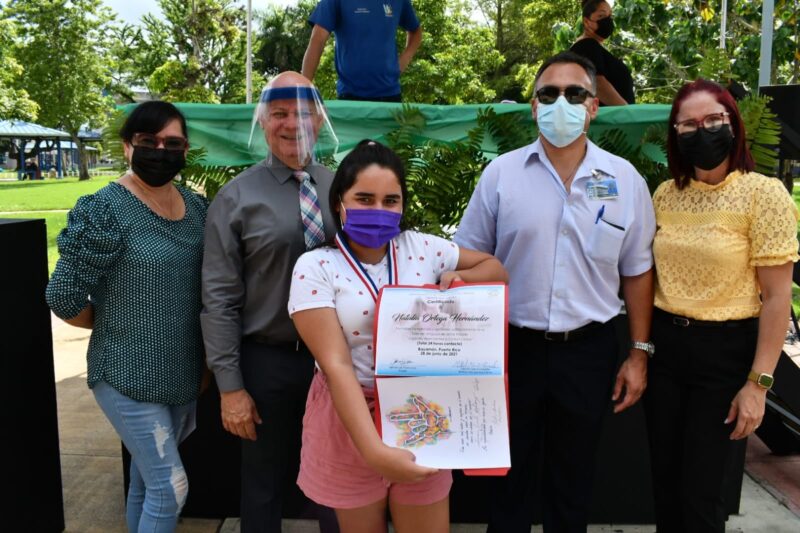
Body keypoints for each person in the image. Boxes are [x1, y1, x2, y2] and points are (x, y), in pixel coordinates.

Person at [454, 51, 656, 533]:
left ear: (593, 107)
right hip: (511, 348)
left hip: (588, 350)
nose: (560, 102)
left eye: (575, 93)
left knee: (574, 480)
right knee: (508, 480)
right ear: (534, 106)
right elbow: (467, 257)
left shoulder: (625, 180)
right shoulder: (501, 175)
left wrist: (639, 353)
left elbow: (637, 271)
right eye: (549, 94)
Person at [288, 139, 508, 532]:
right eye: (364, 199)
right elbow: (336, 365)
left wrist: (458, 277)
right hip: (350, 417)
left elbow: (495, 269)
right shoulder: (316, 266)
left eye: (391, 200)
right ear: (339, 202)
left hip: (423, 411)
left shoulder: (423, 248)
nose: (379, 209)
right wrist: (373, 451)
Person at [46, 101, 207, 532]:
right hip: (125, 373)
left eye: (173, 143)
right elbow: (63, 296)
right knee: (170, 487)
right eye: (148, 141)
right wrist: (118, 321)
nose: (161, 151)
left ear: (185, 149)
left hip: (182, 373)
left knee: (145, 482)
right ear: (127, 146)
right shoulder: (105, 209)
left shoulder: (196, 209)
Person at [646, 79, 798, 532]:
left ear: (733, 124)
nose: (703, 130)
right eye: (689, 124)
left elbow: (777, 298)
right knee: (665, 485)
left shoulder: (763, 194)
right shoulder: (665, 194)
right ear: (676, 133)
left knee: (703, 494)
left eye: (714, 119)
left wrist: (759, 384)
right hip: (665, 349)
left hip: (725, 354)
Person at [201, 71, 339, 533]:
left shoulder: (341, 189)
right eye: (280, 113)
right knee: (262, 482)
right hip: (268, 361)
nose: (292, 123)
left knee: (339, 477)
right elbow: (219, 298)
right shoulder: (236, 197)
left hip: (337, 358)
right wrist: (230, 387)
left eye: (303, 113)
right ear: (262, 121)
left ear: (319, 121)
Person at [302, 0, 423, 102]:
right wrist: (302, 91)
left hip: (390, 95)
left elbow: (416, 32)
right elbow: (317, 41)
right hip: (350, 97)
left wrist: (404, 60)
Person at [570, 0, 634, 105]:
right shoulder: (587, 45)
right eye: (601, 16)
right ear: (586, 21)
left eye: (610, 16)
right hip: (610, 115)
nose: (607, 21)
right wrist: (626, 111)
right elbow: (597, 83)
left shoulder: (593, 47)